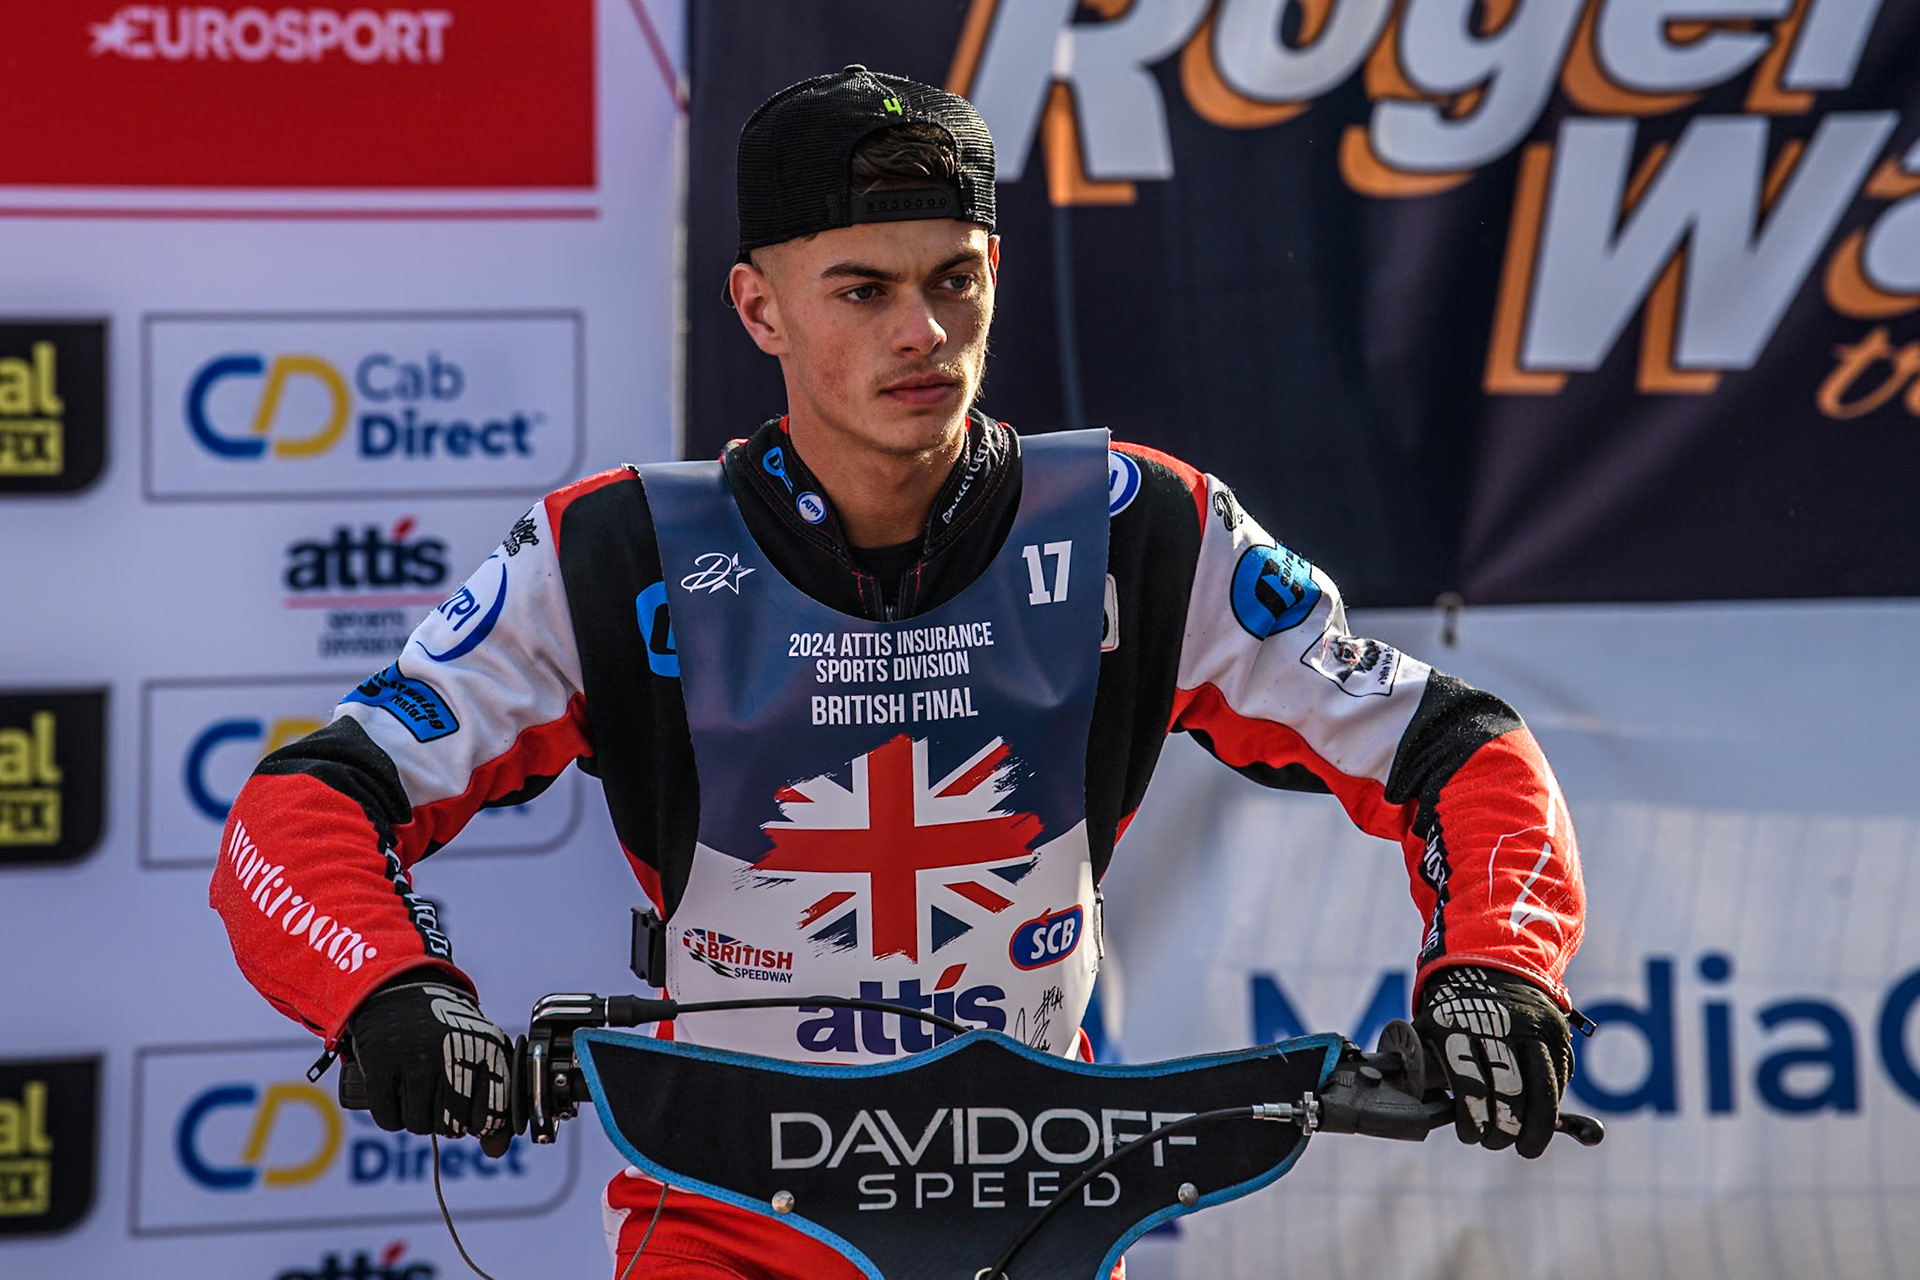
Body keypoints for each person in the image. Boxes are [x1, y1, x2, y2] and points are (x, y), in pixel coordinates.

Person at [211, 66, 1587, 1279]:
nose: (921, 333)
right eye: (862, 291)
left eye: (954, 281)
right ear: (760, 308)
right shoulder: (616, 547)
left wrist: (1497, 972)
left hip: (1041, 1200)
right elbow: (306, 806)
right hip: (727, 1216)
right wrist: (391, 994)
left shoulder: (1135, 525)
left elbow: (1457, 743)